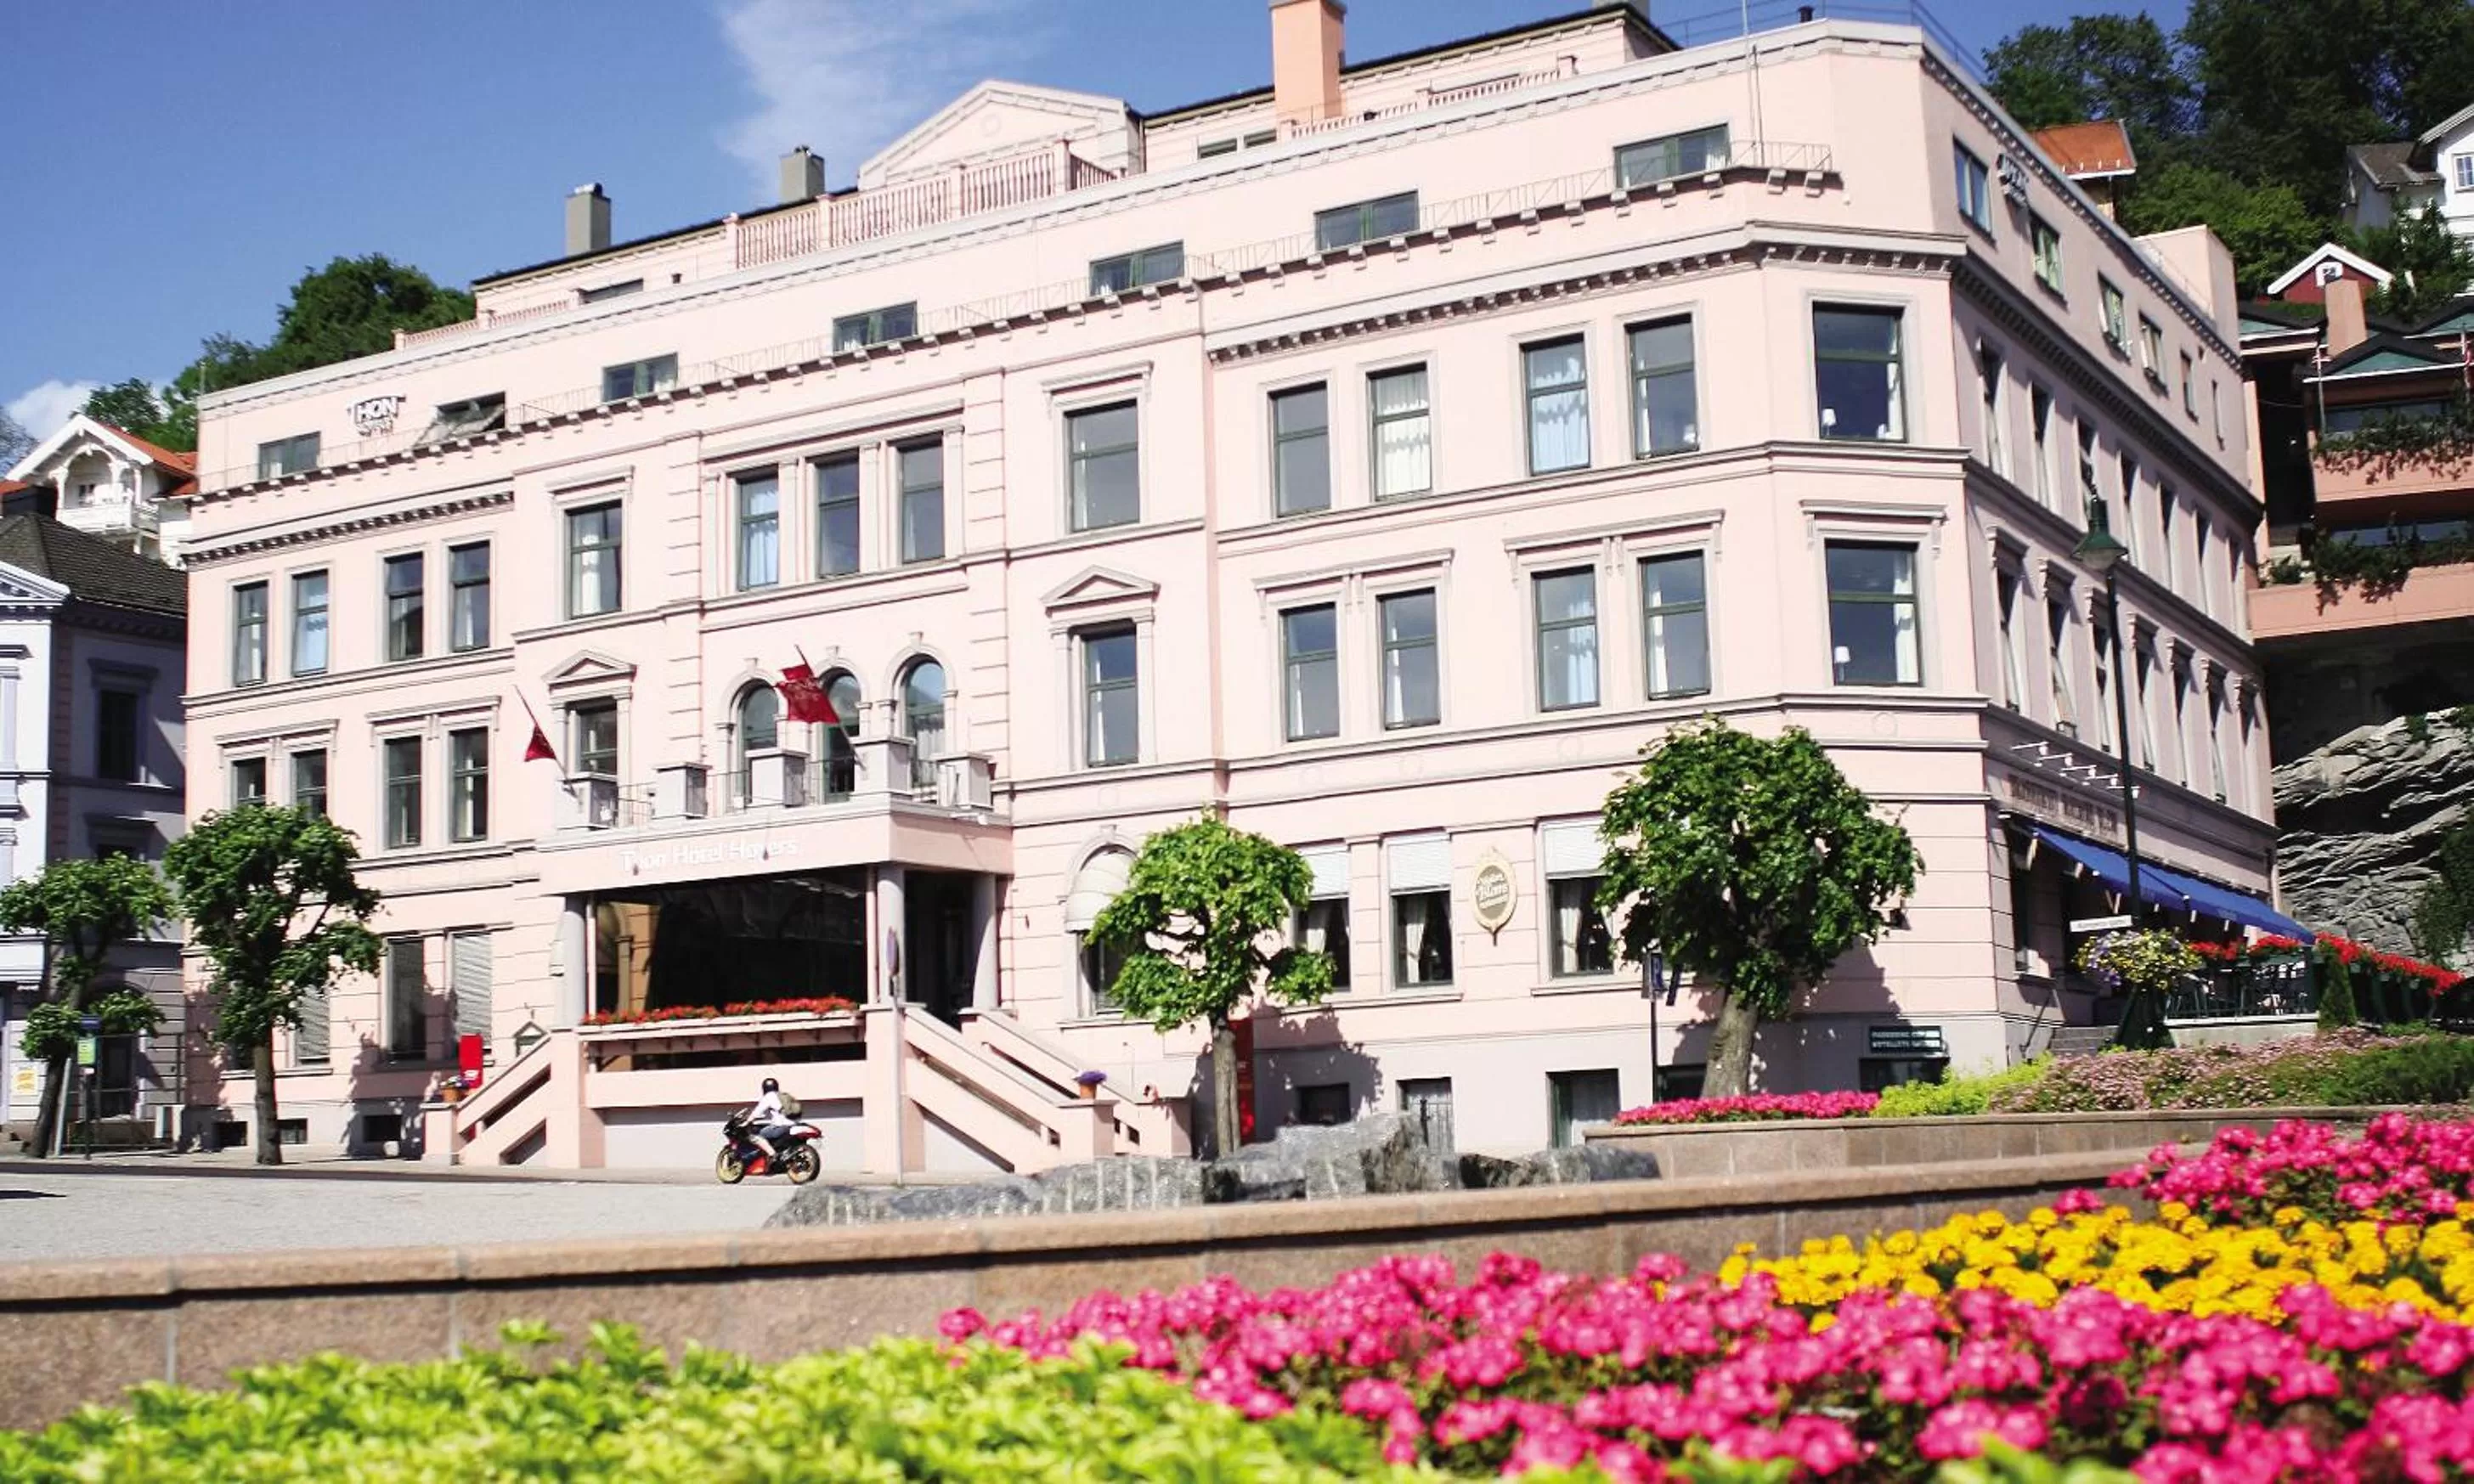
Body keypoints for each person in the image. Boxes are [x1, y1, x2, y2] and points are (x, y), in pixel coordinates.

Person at [743, 1076, 794, 1163]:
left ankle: (772, 1155)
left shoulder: (769, 1096)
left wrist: (747, 1121)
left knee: (754, 1135)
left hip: (781, 1126)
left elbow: (758, 1111)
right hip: (793, 1125)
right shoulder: (784, 1096)